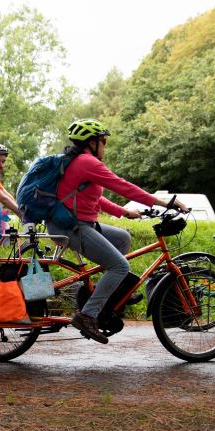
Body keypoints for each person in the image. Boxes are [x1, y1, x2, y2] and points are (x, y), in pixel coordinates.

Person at [48, 118, 188, 345]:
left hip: (79, 223)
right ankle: (87, 315)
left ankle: (110, 293)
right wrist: (165, 202)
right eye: (103, 141)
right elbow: (123, 186)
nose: (105, 145)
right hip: (70, 227)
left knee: (123, 238)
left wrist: (123, 212)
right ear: (91, 142)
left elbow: (94, 197)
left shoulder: (80, 162)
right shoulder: (87, 162)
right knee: (120, 265)